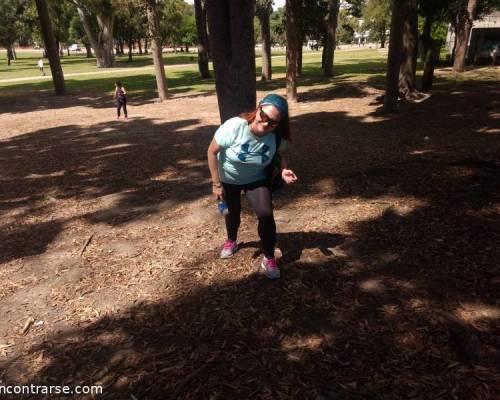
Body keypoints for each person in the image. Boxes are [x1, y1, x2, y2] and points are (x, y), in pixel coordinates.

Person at [207, 94, 298, 279]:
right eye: (264, 116)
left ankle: (269, 257)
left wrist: (284, 169)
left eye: (272, 123)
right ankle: (231, 240)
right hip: (229, 179)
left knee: (266, 214)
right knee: (232, 213)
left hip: (256, 179)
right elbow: (211, 151)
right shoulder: (234, 126)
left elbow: (279, 154)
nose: (265, 124)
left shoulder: (276, 137)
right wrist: (216, 184)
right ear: (259, 108)